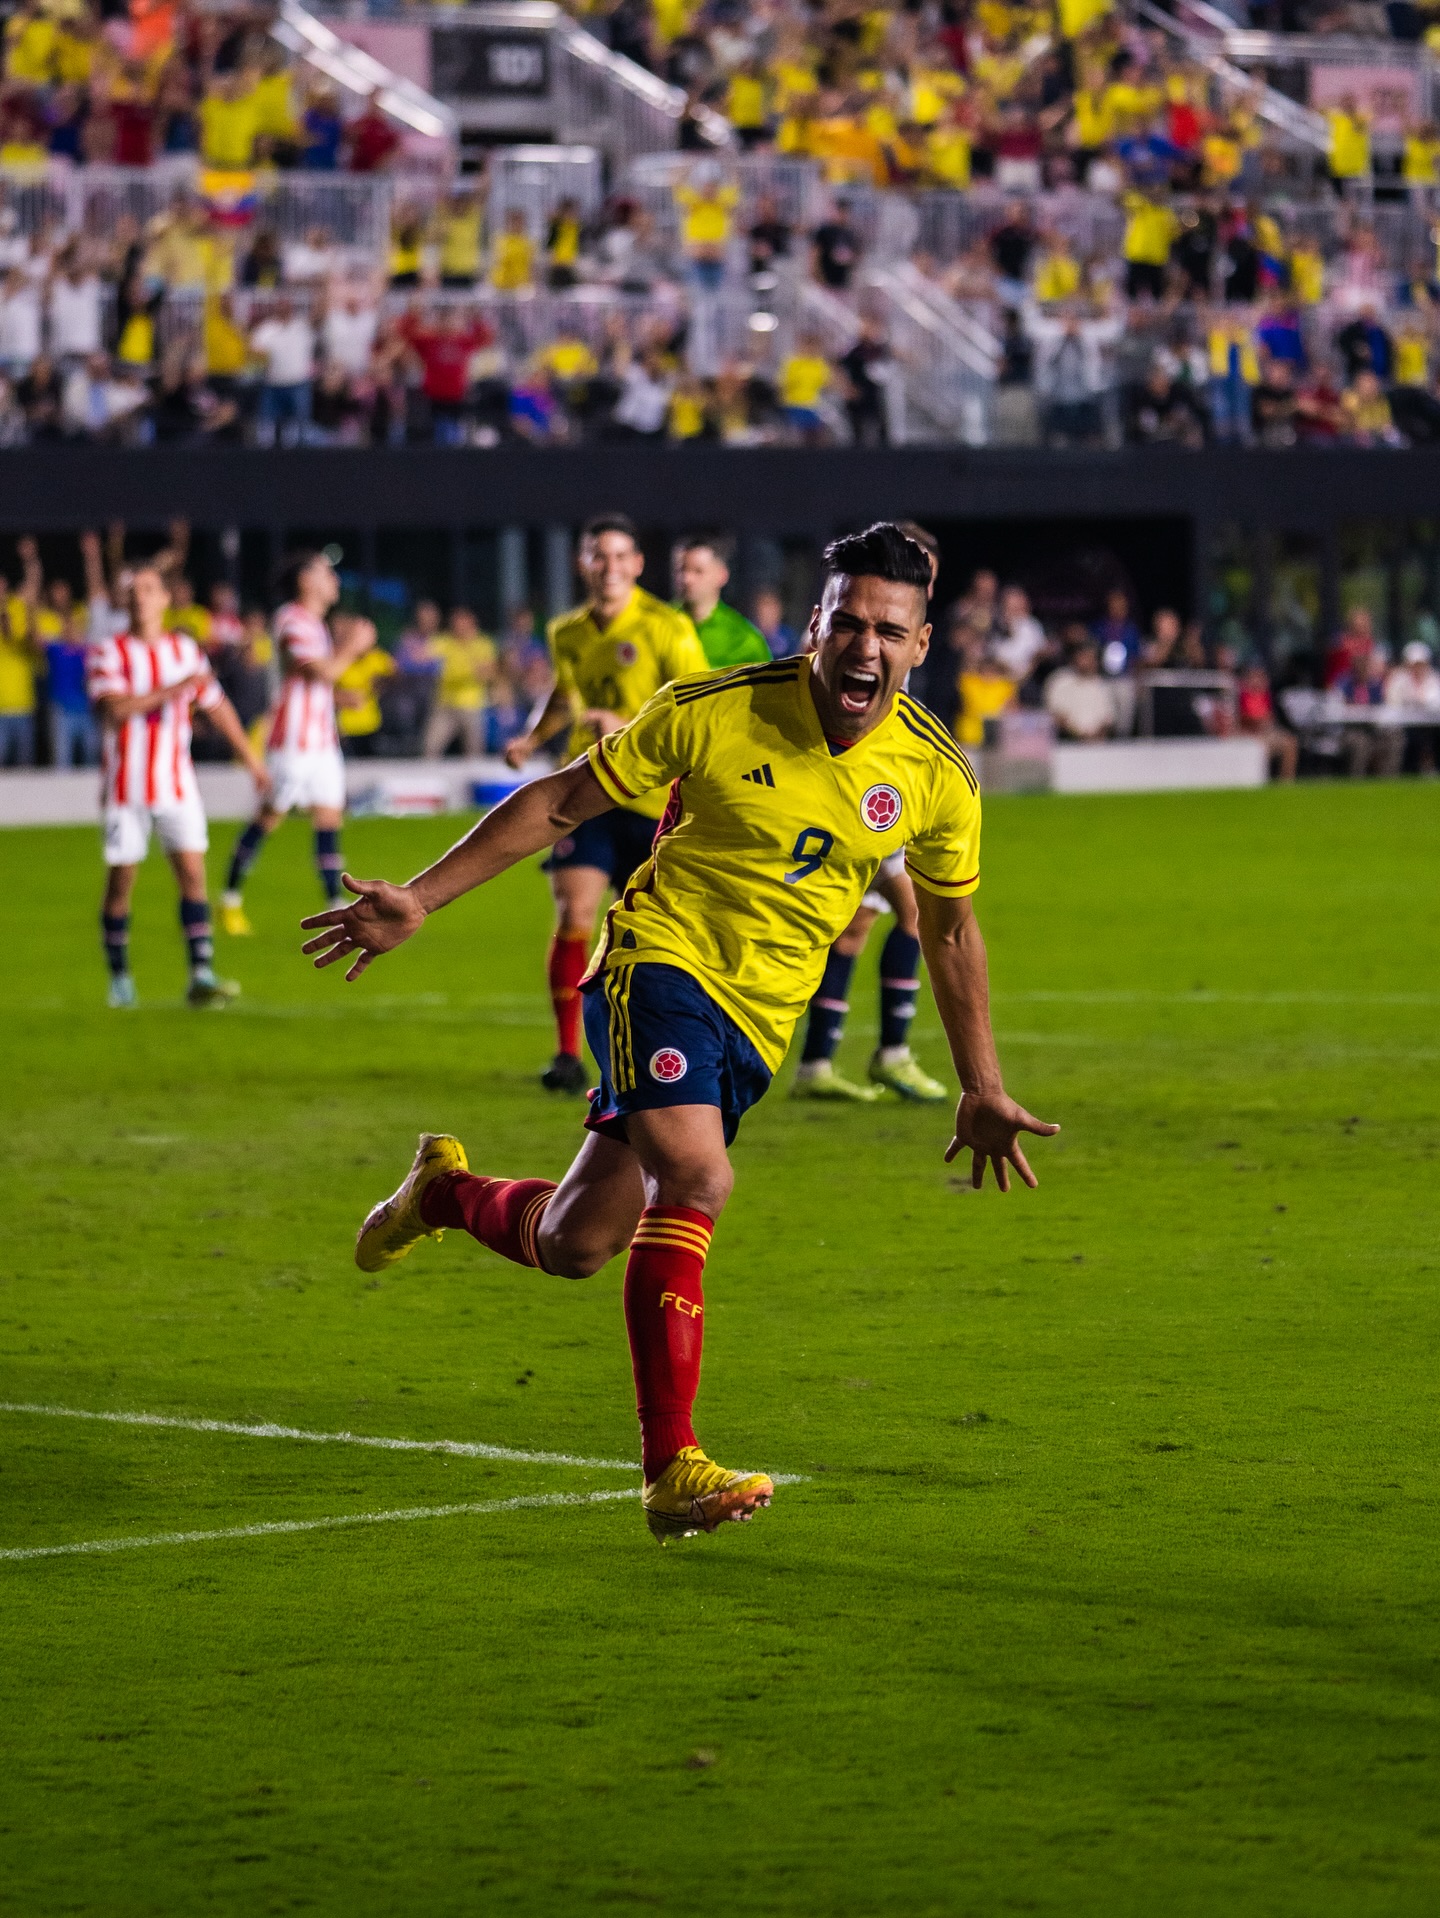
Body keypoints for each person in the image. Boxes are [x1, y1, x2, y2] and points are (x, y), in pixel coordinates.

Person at [299, 523, 1057, 1543]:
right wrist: (424, 900)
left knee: (577, 1243)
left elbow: (953, 928)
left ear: (921, 645)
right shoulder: (717, 708)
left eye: (889, 629)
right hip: (659, 966)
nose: (864, 647)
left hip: (757, 1023)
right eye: (847, 622)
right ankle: (672, 1468)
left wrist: (981, 1080)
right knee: (696, 1181)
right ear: (816, 626)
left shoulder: (936, 776)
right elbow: (563, 798)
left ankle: (441, 1192)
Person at [504, 514, 709, 1094]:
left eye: (621, 556)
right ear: (583, 563)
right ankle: (567, 1055)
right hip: (585, 788)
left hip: (652, 799)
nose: (610, 567)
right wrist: (533, 737)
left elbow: (693, 712)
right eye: (599, 556)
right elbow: (564, 696)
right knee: (574, 913)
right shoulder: (566, 631)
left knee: (652, 934)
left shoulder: (666, 627)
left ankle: (658, 1049)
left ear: (638, 565)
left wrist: (628, 723)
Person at [792, 520, 950, 1107]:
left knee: (858, 928)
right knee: (916, 913)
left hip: (882, 786)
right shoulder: (858, 628)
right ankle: (891, 1053)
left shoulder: (904, 629)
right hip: (857, 790)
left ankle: (819, 1060)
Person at [86, 563, 269, 1009]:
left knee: (192, 876)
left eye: (149, 588)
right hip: (125, 787)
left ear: (166, 599)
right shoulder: (108, 652)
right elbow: (115, 710)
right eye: (134, 589)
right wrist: (176, 689)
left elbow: (217, 705)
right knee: (121, 883)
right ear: (125, 601)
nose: (140, 595)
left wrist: (252, 761)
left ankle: (201, 975)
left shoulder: (185, 651)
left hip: (177, 783)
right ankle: (120, 978)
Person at [220, 552, 377, 935]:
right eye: (327, 573)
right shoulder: (292, 620)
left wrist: (340, 699)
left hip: (322, 743)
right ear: (306, 581)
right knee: (269, 818)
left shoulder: (317, 626)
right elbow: (319, 671)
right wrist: (354, 646)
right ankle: (229, 899)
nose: (335, 580)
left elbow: (309, 683)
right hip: (292, 743)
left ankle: (335, 904)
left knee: (329, 820)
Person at [672, 533, 770, 668]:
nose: (687, 579)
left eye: (698, 571)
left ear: (722, 575)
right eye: (681, 570)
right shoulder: (658, 624)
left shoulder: (744, 639)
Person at [424, 608, 497, 758]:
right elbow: (422, 655)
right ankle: (430, 780)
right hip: (446, 704)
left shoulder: (483, 644)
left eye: (462, 623)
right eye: (455, 624)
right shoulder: (445, 641)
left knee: (474, 751)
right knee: (430, 747)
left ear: (472, 624)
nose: (458, 627)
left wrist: (479, 672)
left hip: (472, 705)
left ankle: (475, 780)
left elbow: (489, 673)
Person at [1044, 639, 1118, 740]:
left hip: (1098, 744)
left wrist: (1095, 737)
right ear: (1074, 657)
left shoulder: (1103, 686)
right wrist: (1079, 736)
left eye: (1091, 657)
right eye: (1084, 657)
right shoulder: (1060, 681)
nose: (1087, 661)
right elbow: (1056, 717)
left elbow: (1107, 720)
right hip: (1068, 742)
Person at [1236, 661, 1297, 782]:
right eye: (1255, 676)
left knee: (1290, 742)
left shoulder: (1266, 695)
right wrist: (1258, 720)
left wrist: (1263, 720)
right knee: (1261, 748)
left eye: (1261, 676)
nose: (1258, 680)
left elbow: (1270, 717)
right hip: (1249, 734)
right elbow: (1244, 718)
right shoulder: (1243, 695)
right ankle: (1261, 781)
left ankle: (1286, 783)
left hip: (1266, 732)